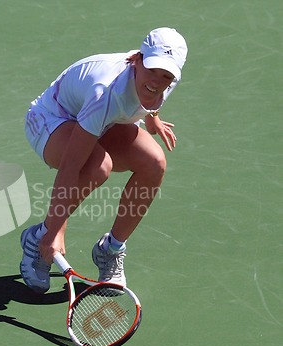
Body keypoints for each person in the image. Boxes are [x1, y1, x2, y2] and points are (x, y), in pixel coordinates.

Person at [20, 27, 188, 293]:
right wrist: (55, 230)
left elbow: (153, 96)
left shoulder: (165, 78)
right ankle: (38, 238)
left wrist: (152, 118)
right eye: (152, 70)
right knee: (97, 166)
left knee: (154, 163)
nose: (157, 81)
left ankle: (110, 250)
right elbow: (70, 166)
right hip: (51, 120)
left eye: (166, 75)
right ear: (137, 59)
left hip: (101, 122)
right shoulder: (105, 92)